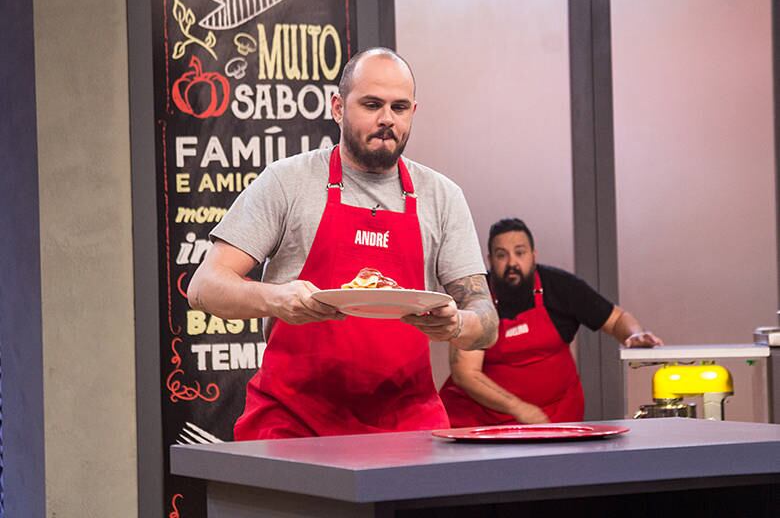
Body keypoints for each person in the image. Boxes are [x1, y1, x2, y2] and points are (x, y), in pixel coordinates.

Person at [187, 47, 498, 440]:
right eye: (372, 104)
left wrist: (457, 323)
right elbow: (203, 287)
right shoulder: (289, 182)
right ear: (337, 107)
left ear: (413, 113)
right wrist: (277, 299)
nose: (387, 119)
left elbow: (486, 321)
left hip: (407, 426)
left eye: (399, 108)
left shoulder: (441, 196)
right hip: (294, 423)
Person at [439, 218, 663, 426]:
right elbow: (466, 373)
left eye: (520, 253)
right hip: (480, 422)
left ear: (534, 255)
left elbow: (616, 319)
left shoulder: (560, 286)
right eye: (501, 255)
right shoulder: (478, 297)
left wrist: (633, 334)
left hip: (554, 417)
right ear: (489, 260)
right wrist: (518, 408)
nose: (512, 263)